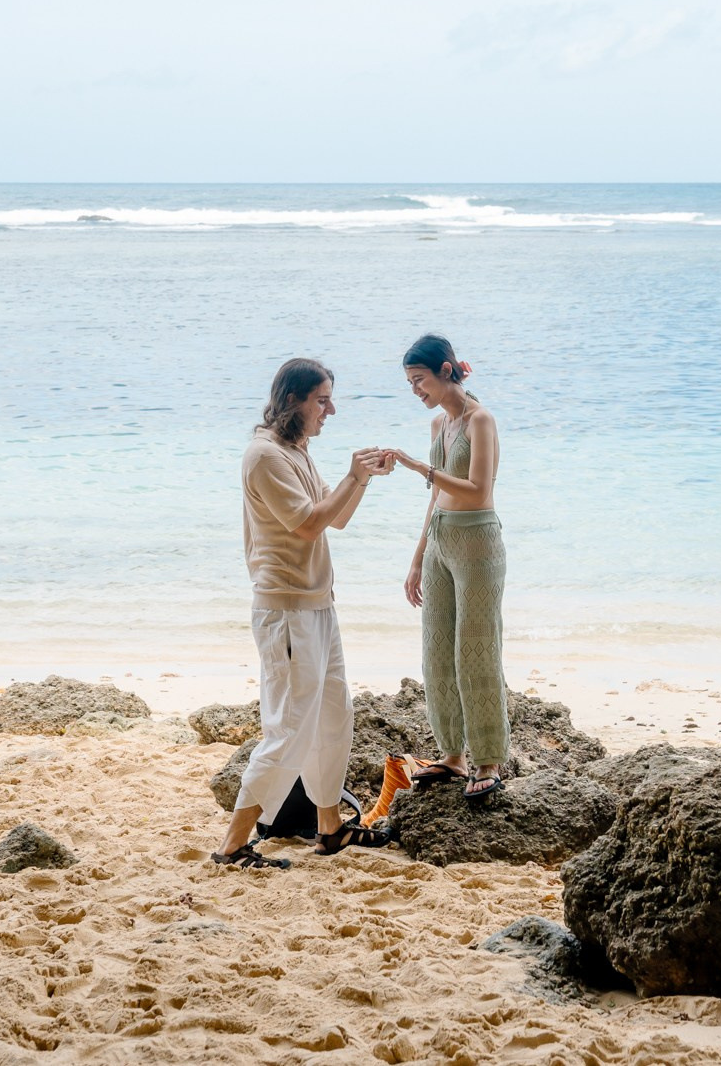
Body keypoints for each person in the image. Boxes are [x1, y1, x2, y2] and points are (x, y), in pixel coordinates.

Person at [214, 357, 394, 868]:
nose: (330, 410)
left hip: (317, 605)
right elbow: (308, 525)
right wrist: (351, 473)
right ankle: (232, 843)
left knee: (335, 717)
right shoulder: (264, 456)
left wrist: (361, 480)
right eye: (322, 400)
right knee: (289, 728)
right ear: (293, 400)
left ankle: (330, 827)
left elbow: (334, 520)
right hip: (287, 610)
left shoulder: (296, 450)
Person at [383, 335, 510, 803]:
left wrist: (420, 468)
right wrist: (417, 558)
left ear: (445, 370)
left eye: (419, 381)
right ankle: (452, 755)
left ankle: (489, 760)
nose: (416, 390)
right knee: (436, 650)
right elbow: (436, 499)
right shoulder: (440, 423)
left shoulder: (481, 420)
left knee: (475, 650)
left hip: (477, 541)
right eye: (410, 383)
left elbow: (478, 490)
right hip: (440, 539)